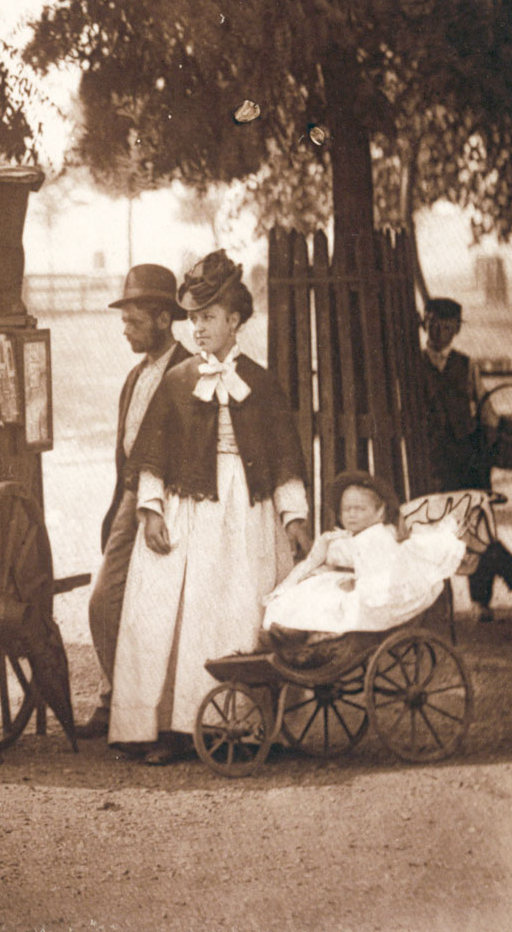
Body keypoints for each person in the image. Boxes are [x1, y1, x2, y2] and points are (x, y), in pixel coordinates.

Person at [108, 250, 312, 764]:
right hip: (188, 510)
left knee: (237, 609)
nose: (199, 328)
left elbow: (285, 456)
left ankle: (243, 726)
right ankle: (172, 728)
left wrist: (294, 517)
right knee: (171, 612)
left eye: (209, 318)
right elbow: (152, 453)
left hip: (245, 512)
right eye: (194, 318)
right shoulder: (178, 381)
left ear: (235, 321)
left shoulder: (261, 383)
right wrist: (151, 509)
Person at [75, 264, 192, 740]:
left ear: (164, 319)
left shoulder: (188, 373)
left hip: (165, 498)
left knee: (116, 601)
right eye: (124, 321)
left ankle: (145, 711)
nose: (125, 330)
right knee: (110, 603)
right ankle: (116, 700)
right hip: (130, 494)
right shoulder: (136, 375)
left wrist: (154, 503)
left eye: (134, 321)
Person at [420, 297, 512, 622]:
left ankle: (482, 601)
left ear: (457, 330)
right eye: (434, 324)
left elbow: (487, 411)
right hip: (435, 460)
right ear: (424, 323)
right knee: (452, 531)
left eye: (448, 327)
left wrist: (484, 446)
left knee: (477, 529)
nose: (440, 332)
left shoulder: (466, 365)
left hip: (469, 459)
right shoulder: (414, 364)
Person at [261, 471, 464, 644]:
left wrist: (359, 583)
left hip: (376, 591)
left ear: (379, 512)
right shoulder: (346, 537)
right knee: (307, 590)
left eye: (360, 509)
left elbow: (382, 572)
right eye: (346, 510)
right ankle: (292, 628)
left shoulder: (377, 536)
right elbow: (318, 561)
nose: (352, 515)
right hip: (351, 581)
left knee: (333, 600)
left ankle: (314, 630)